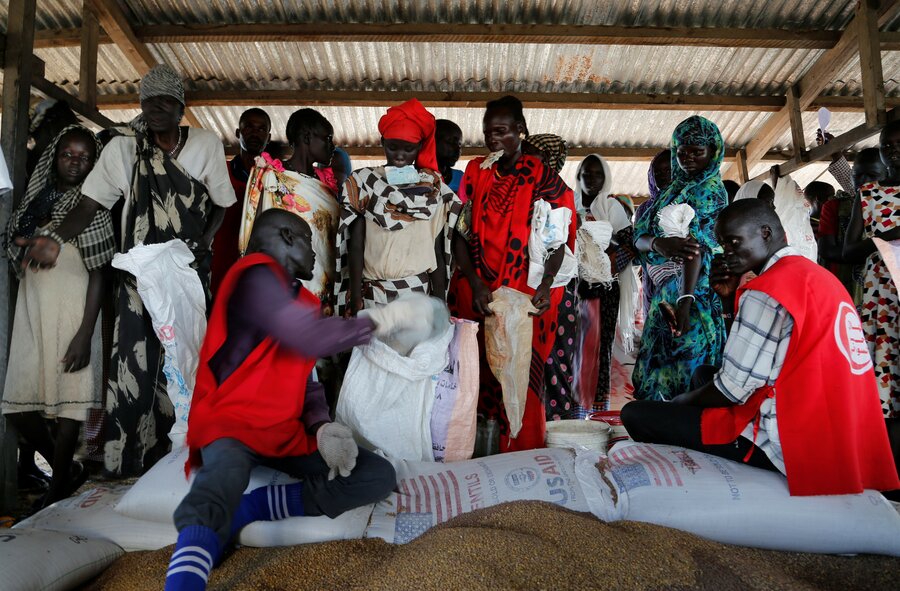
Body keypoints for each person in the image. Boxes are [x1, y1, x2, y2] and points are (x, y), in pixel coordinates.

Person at [164, 209, 413, 591]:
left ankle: (253, 508)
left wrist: (321, 425)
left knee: (376, 474)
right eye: (310, 243)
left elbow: (306, 377)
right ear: (285, 237)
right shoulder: (254, 274)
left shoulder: (300, 299)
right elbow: (305, 338)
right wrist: (380, 322)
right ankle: (184, 582)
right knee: (220, 482)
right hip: (231, 425)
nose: (316, 255)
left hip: (283, 430)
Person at [19, 64, 234, 477]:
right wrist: (56, 239)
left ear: (180, 107)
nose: (156, 109)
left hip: (187, 273)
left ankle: (186, 451)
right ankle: (133, 457)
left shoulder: (205, 145)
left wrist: (205, 243)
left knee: (185, 355)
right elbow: (89, 204)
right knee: (135, 361)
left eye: (165, 102)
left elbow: (222, 203)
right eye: (149, 101)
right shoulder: (124, 150)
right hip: (138, 275)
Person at [622, 199, 899, 496]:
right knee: (703, 373)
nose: (727, 253)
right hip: (834, 424)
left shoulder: (767, 291)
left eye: (733, 242)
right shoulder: (816, 275)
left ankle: (700, 485)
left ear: (765, 233)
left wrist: (677, 404)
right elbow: (757, 360)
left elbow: (730, 390)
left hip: (794, 441)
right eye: (723, 245)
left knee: (637, 414)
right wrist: (729, 304)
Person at [449, 95, 576, 451]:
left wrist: (547, 284)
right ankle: (476, 455)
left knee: (519, 376)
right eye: (488, 132)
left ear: (521, 131)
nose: (493, 139)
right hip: (477, 294)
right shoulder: (476, 172)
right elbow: (459, 233)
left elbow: (558, 239)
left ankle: (520, 454)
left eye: (501, 131)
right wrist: (475, 282)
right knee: (477, 377)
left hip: (524, 299)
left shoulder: (542, 177)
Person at [3, 126, 114, 508]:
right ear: (55, 157)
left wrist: (85, 334)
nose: (75, 162)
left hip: (74, 316)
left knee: (71, 405)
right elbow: (14, 247)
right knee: (18, 405)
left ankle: (55, 489)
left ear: (94, 163)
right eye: (68, 154)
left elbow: (100, 272)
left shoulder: (93, 207)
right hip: (33, 314)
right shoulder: (34, 205)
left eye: (84, 157)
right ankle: (63, 469)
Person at [335, 98, 462, 316]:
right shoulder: (363, 182)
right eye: (393, 147)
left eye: (409, 149)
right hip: (372, 296)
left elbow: (436, 252)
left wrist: (441, 304)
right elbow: (355, 245)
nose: (400, 155)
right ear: (382, 142)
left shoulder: (433, 189)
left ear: (420, 146)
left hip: (417, 296)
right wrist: (355, 297)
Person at [632, 115, 727, 401]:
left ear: (713, 152)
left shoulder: (710, 192)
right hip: (665, 296)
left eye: (697, 151)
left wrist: (685, 302)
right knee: (657, 372)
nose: (688, 158)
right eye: (682, 151)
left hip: (693, 296)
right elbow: (638, 237)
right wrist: (659, 243)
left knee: (687, 366)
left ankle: (684, 440)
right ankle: (656, 439)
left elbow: (693, 249)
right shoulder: (669, 193)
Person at [239, 108, 340, 312]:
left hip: (323, 285)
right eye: (327, 138)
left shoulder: (326, 186)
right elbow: (254, 235)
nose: (333, 145)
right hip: (281, 287)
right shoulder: (271, 177)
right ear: (306, 137)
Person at [520, 134, 580, 419]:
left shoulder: (558, 194)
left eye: (534, 156)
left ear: (550, 162)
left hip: (552, 291)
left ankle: (557, 432)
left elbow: (558, 245)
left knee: (553, 365)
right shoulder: (521, 188)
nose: (526, 160)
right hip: (525, 290)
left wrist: (545, 283)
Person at [843, 121, 900, 418]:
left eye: (898, 144)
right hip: (882, 301)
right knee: (885, 388)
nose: (893, 152)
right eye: (886, 146)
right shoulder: (867, 195)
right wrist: (886, 238)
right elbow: (848, 251)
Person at [573, 153, 636, 413]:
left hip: (605, 289)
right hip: (575, 288)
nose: (591, 179)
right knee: (574, 347)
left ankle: (596, 411)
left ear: (606, 177)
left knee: (600, 348)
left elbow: (630, 244)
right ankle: (573, 408)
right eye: (586, 173)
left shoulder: (611, 208)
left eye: (597, 174)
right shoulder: (569, 205)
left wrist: (602, 269)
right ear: (578, 176)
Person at [210, 108, 272, 296]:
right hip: (220, 263)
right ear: (238, 133)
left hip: (256, 270)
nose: (255, 133)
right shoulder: (219, 171)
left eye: (262, 129)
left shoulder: (273, 179)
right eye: (249, 127)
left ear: (268, 138)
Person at [634, 150, 673, 321]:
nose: (663, 175)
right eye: (657, 172)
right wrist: (656, 245)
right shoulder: (645, 209)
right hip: (653, 279)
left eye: (669, 170)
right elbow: (637, 241)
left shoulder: (692, 200)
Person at [436, 119, 464, 194]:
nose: (458, 149)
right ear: (433, 141)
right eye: (452, 142)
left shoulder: (461, 178)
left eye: (459, 144)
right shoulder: (415, 177)